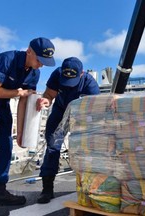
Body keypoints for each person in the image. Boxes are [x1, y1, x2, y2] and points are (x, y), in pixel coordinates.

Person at [0, 37, 55, 216]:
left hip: (3, 103)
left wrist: (21, 133)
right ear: (29, 51)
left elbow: (23, 102)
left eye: (45, 62)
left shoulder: (34, 73)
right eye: (39, 60)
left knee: (6, 146)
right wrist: (18, 92)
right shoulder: (6, 59)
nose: (41, 65)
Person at [36, 57, 100, 204]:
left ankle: (89, 187)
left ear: (82, 74)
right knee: (52, 147)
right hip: (60, 112)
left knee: (85, 150)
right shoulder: (56, 74)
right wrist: (46, 100)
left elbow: (96, 110)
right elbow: (49, 94)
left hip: (82, 116)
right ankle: (47, 189)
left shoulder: (90, 84)